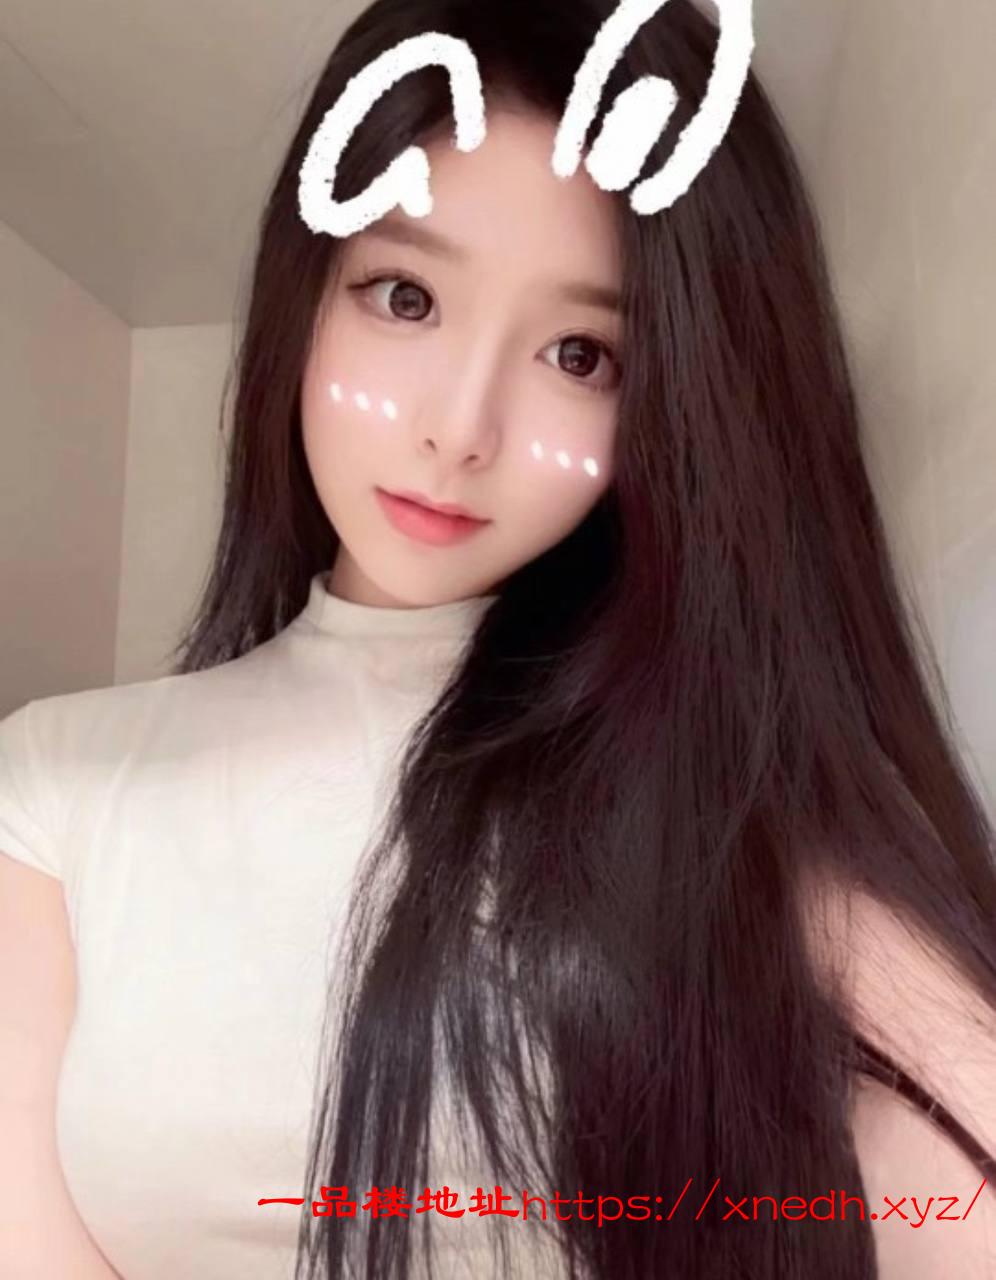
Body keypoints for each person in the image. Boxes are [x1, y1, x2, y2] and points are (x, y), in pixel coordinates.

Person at [1, 0, 994, 1277]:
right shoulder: (56, 785)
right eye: (405, 294)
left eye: (580, 353)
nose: (459, 429)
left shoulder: (730, 805)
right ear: (307, 287)